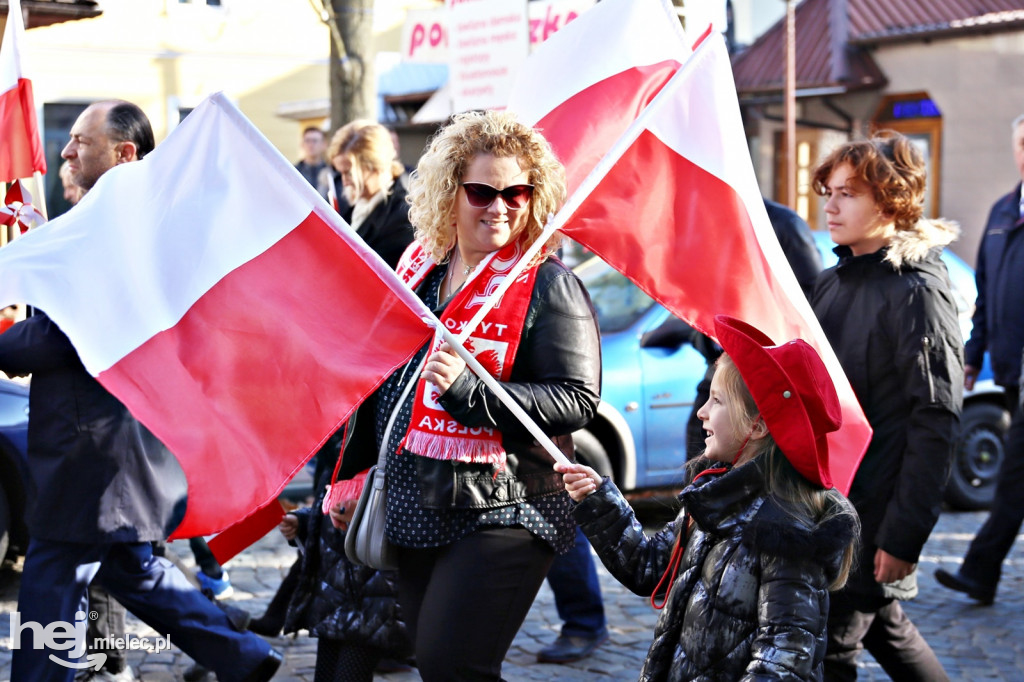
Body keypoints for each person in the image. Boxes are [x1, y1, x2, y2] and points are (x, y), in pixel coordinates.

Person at [0, 100, 281, 682]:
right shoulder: (128, 219)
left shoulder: (115, 225)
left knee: (51, 588)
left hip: (93, 450)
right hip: (109, 446)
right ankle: (247, 656)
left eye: (81, 140)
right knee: (136, 574)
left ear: (125, 153)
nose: (66, 150)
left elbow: (60, 337)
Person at [334, 109, 602, 681]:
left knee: (452, 664)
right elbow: (383, 381)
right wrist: (353, 471)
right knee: (440, 669)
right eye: (482, 191)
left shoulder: (550, 283)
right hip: (414, 498)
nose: (500, 207)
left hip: (507, 505)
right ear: (449, 190)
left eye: (517, 192)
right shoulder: (419, 266)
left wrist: (470, 393)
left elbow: (578, 399)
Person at [557, 314, 860, 680]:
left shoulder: (787, 534)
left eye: (716, 400)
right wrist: (599, 502)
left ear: (758, 425)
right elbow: (649, 567)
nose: (701, 411)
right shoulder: (715, 499)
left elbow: (783, 661)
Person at [810, 131, 963, 681]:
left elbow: (935, 420)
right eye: (828, 190)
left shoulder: (918, 291)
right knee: (888, 632)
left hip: (874, 515)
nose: (829, 205)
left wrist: (902, 537)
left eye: (847, 193)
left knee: (829, 653)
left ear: (890, 199)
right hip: (830, 506)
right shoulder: (831, 282)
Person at [935, 113, 1024, 605]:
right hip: (1012, 371)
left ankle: (980, 570)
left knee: (1013, 475)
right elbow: (988, 296)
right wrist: (974, 355)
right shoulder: (1002, 212)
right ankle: (982, 572)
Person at [685, 197, 823, 459]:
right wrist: (704, 339)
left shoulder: (782, 224)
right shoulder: (704, 220)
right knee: (699, 467)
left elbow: (812, 302)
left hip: (764, 382)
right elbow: (699, 297)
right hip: (718, 370)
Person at [279, 433, 412, 681]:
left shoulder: (374, 424)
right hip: (335, 588)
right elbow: (328, 500)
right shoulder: (337, 440)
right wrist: (304, 521)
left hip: (375, 591)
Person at [328, 120, 414, 269]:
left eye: (349, 173)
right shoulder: (349, 204)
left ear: (376, 165)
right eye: (340, 172)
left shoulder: (404, 218)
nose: (344, 182)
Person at [295, 125, 330, 197]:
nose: (311, 145)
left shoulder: (332, 173)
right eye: (307, 141)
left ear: (324, 145)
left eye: (315, 141)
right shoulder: (295, 172)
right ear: (302, 144)